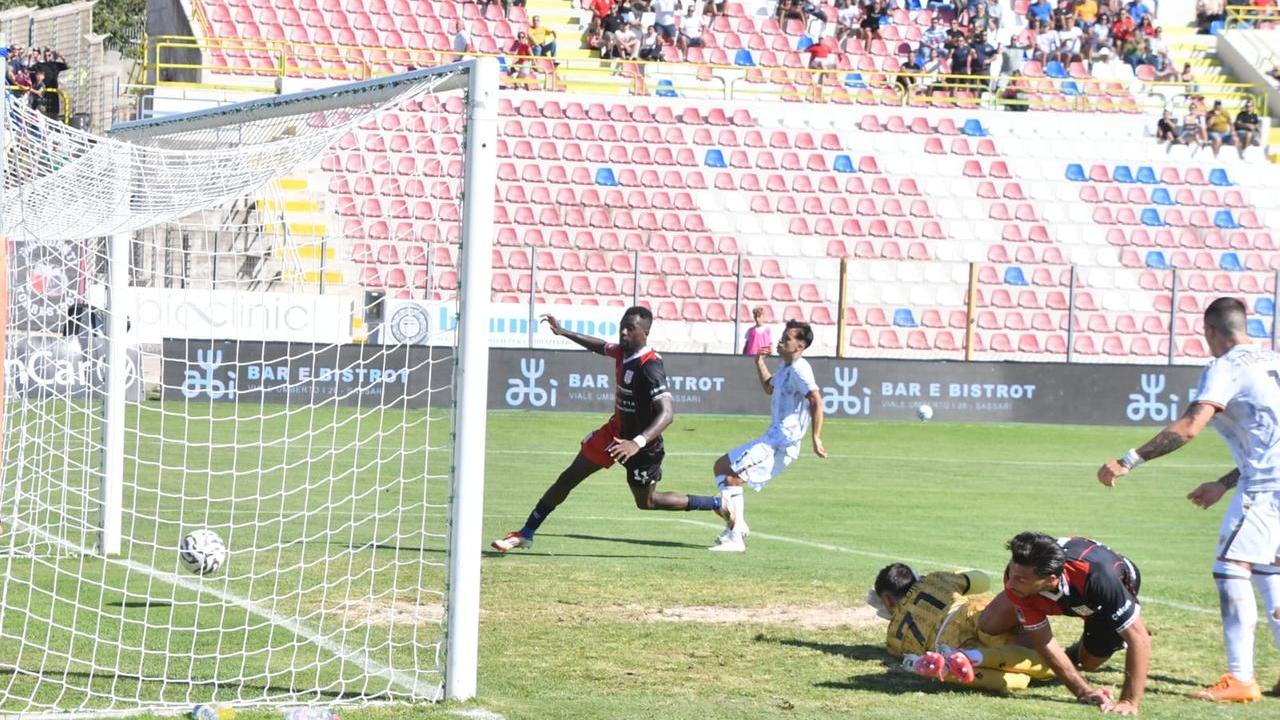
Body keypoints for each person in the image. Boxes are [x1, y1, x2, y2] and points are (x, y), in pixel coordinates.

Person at [1097, 297, 1280, 703]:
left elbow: (1190, 426)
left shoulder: (1227, 366)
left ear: (1211, 331)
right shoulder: (1272, 360)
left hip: (1268, 489)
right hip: (1268, 480)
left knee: (1231, 567)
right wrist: (1224, 482)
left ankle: (1240, 678)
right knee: (1270, 571)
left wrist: (1130, 460)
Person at [491, 308, 726, 552]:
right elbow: (600, 345)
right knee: (569, 477)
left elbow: (667, 414)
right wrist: (562, 332)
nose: (623, 332)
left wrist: (637, 443)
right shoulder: (623, 352)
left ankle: (717, 503)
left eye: (630, 328)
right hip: (614, 434)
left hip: (643, 448)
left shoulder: (651, 366)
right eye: (622, 326)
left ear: (645, 332)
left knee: (647, 502)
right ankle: (526, 532)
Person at [979, 532, 1150, 715]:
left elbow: (1139, 639)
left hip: (1102, 595)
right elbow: (1043, 640)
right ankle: (1024, 630)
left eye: (1020, 579)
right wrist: (1083, 691)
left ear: (1051, 580)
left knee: (1089, 662)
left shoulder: (1099, 580)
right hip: (1051, 589)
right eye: (1011, 574)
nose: (1009, 584)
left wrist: (1128, 701)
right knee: (989, 624)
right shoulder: (1018, 575)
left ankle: (1078, 650)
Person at [708, 320, 826, 552]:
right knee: (721, 467)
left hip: (782, 444)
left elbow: (816, 399)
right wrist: (760, 362)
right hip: (771, 438)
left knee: (732, 477)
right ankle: (737, 525)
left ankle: (735, 537)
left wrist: (816, 438)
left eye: (787, 338)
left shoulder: (801, 369)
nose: (781, 340)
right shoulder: (786, 367)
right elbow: (769, 386)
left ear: (800, 346)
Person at [870, 564, 1055, 691]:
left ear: (886, 600)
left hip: (945, 644)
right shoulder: (934, 580)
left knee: (1020, 679)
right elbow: (982, 580)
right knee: (1036, 657)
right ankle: (1048, 666)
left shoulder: (893, 637)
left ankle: (946, 668)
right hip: (970, 614)